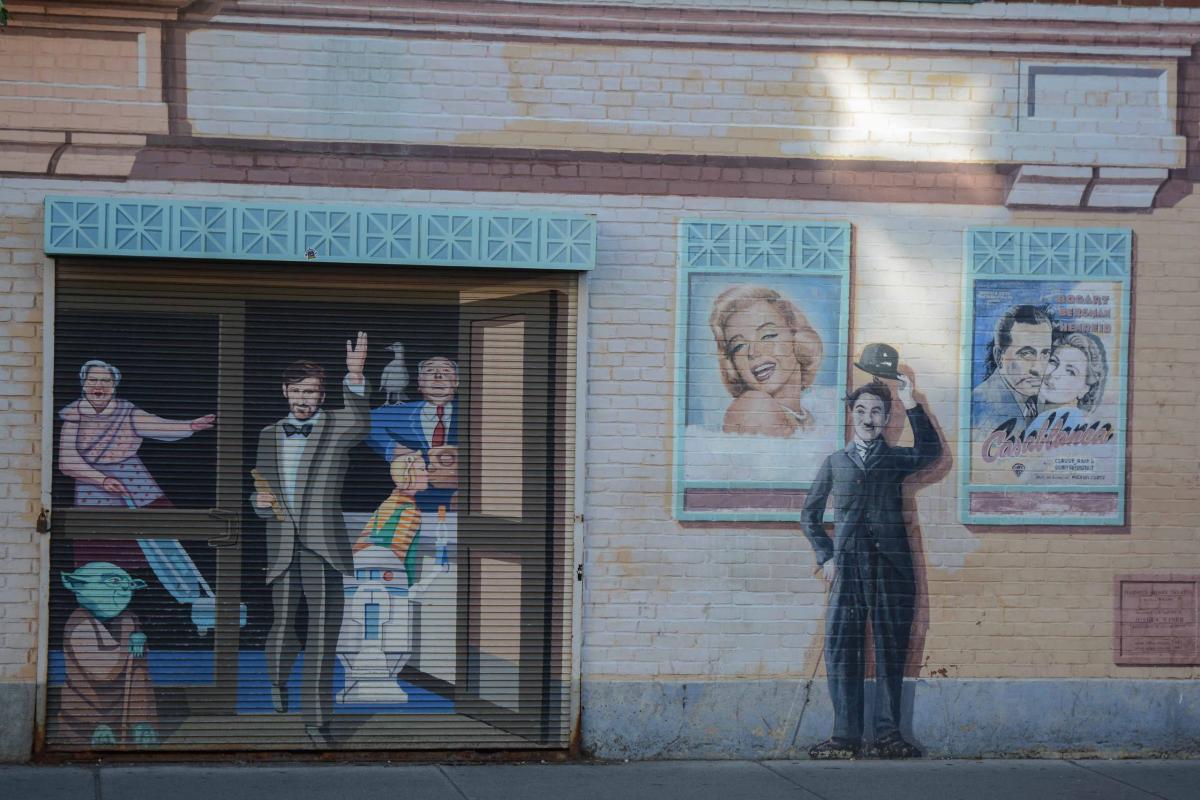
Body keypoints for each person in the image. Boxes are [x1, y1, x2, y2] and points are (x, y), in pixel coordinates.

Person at [801, 373, 941, 760]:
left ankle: (888, 735)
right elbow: (809, 516)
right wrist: (826, 556)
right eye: (861, 410)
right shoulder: (835, 463)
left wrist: (911, 401)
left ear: (886, 418)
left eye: (876, 411)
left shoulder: (894, 459)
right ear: (851, 415)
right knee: (842, 649)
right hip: (847, 570)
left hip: (892, 569)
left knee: (891, 649)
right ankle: (844, 737)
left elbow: (930, 452)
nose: (868, 418)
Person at [250, 333, 370, 747]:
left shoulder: (338, 426)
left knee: (322, 632)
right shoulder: (268, 434)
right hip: (281, 544)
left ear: (322, 395)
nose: (304, 398)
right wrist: (258, 503)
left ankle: (317, 721)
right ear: (285, 391)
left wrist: (355, 376)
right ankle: (277, 680)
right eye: (298, 391)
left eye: (312, 392)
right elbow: (261, 488)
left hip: (324, 546)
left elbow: (361, 421)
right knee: (283, 623)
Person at [58, 360, 216, 567]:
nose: (99, 386)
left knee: (161, 548)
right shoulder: (73, 416)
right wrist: (102, 480)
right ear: (84, 384)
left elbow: (159, 426)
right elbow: (67, 460)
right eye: (93, 380)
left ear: (114, 386)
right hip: (94, 491)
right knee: (103, 549)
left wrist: (189, 426)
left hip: (138, 487)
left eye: (105, 381)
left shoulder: (126, 411)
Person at [57, 562, 158, 748]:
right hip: (89, 704)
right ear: (76, 585)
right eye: (114, 581)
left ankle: (139, 721)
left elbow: (138, 669)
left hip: (125, 705)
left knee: (139, 673)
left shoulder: (128, 618)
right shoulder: (79, 623)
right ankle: (96, 725)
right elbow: (103, 672)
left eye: (129, 584)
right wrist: (129, 639)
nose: (125, 589)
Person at [708, 285, 823, 437]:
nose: (753, 352)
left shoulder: (815, 414)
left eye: (767, 335)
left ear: (795, 336)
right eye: (739, 346)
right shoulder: (755, 407)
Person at [367, 355, 459, 513]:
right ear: (420, 382)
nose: (438, 375)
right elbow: (366, 421)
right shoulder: (401, 412)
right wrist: (392, 449)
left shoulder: (477, 412)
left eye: (446, 371)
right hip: (411, 504)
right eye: (430, 371)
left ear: (456, 382)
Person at [971, 305, 1054, 436]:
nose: (1038, 369)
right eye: (1026, 353)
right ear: (999, 357)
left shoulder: (1042, 400)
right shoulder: (979, 407)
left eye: (1045, 353)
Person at [354, 446, 428, 587]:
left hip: (368, 579)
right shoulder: (410, 511)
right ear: (408, 475)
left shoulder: (387, 504)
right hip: (394, 583)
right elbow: (398, 556)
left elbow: (361, 544)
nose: (426, 473)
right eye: (422, 469)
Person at [1032, 330, 1108, 428]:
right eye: (1053, 361)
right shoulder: (1044, 418)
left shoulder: (1063, 422)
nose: (1054, 374)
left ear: (1085, 389)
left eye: (1071, 372)